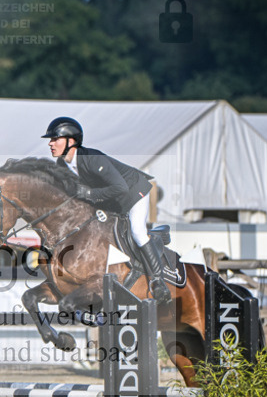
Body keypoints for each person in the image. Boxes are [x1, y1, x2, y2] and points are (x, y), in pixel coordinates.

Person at [42, 116, 171, 304]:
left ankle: (158, 281)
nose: (50, 144)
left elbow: (120, 188)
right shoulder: (62, 165)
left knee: (137, 231)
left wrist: (89, 193)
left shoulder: (92, 159)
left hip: (134, 192)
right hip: (109, 200)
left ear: (71, 141)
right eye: (51, 140)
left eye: (55, 139)